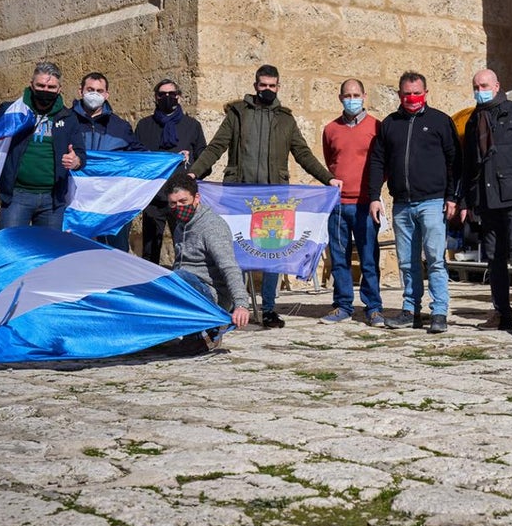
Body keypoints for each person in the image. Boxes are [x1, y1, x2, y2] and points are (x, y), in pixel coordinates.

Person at [188, 64, 341, 328]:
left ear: (278, 87)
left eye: (272, 86)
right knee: (235, 251)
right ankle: (236, 304)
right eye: (263, 85)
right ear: (255, 85)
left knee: (274, 252)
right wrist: (194, 173)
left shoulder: (286, 120)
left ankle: (269, 308)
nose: (267, 90)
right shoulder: (237, 114)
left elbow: (302, 154)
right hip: (239, 196)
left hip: (274, 198)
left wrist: (327, 178)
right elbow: (217, 146)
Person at [366, 71, 462, 333]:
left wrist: (453, 197)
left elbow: (455, 162)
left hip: (433, 203)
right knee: (407, 262)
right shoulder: (390, 124)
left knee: (435, 259)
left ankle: (439, 312)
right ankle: (410, 310)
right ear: (399, 94)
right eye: (407, 93)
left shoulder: (440, 122)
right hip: (402, 205)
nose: (412, 97)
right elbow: (377, 162)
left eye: (417, 92)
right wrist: (375, 196)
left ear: (426, 93)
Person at [461, 69, 512, 335]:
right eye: (476, 86)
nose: (479, 90)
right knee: (494, 258)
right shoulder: (474, 120)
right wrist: (466, 200)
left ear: (497, 85)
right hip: (487, 200)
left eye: (484, 85)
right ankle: (501, 313)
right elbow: (469, 165)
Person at [0, 61, 85, 229]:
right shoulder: (13, 112)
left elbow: (81, 154)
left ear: (59, 89)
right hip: (17, 197)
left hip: (52, 201)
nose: (45, 90)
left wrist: (76, 161)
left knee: (48, 252)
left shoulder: (68, 117)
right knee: (11, 248)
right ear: (31, 85)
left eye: (51, 87)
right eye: (41, 85)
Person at [320, 79, 384, 327]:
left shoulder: (376, 127)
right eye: (347, 95)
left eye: (356, 94)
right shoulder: (330, 129)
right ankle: (343, 305)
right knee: (339, 258)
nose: (352, 99)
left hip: (366, 204)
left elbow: (381, 165)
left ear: (364, 96)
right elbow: (330, 161)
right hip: (337, 204)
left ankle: (374, 307)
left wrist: (374, 193)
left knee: (369, 258)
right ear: (340, 98)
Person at [166, 173, 251, 331]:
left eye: (183, 201)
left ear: (196, 198)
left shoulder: (212, 226)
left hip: (212, 293)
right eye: (173, 203)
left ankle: (205, 332)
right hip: (187, 286)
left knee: (178, 278)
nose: (178, 207)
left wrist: (241, 304)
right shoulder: (180, 226)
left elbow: (229, 266)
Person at [71, 72, 145, 251]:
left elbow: (139, 157)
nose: (94, 94)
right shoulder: (66, 121)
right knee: (73, 252)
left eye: (99, 90)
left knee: (115, 253)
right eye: (90, 89)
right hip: (75, 203)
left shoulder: (120, 127)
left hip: (112, 202)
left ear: (106, 95)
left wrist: (170, 158)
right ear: (80, 91)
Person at [135, 79, 207, 264]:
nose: (167, 98)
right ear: (155, 98)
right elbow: (136, 160)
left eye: (171, 94)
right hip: (154, 199)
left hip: (182, 199)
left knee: (185, 247)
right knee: (150, 251)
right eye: (162, 95)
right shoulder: (144, 126)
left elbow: (204, 160)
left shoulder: (192, 126)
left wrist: (191, 172)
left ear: (179, 97)